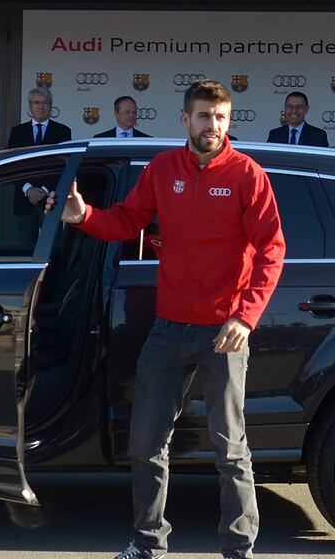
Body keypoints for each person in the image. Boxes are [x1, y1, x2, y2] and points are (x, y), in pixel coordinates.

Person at [49, 79, 285, 559]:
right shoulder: (162, 169)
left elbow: (272, 249)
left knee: (230, 448)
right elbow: (126, 220)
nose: (212, 125)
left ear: (228, 120)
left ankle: (239, 550)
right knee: (145, 442)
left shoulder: (247, 175)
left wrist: (245, 316)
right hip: (168, 328)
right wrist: (83, 216)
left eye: (220, 117)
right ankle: (147, 542)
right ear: (185, 119)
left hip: (224, 333)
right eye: (203, 116)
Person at [6, 87, 72, 243]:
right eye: (37, 103)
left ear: (51, 106)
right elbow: (12, 166)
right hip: (23, 202)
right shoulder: (17, 132)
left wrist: (43, 190)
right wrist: (28, 189)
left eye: (45, 103)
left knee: (54, 251)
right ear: (30, 106)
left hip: (51, 200)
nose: (41, 107)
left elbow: (63, 166)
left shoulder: (63, 132)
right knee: (23, 252)